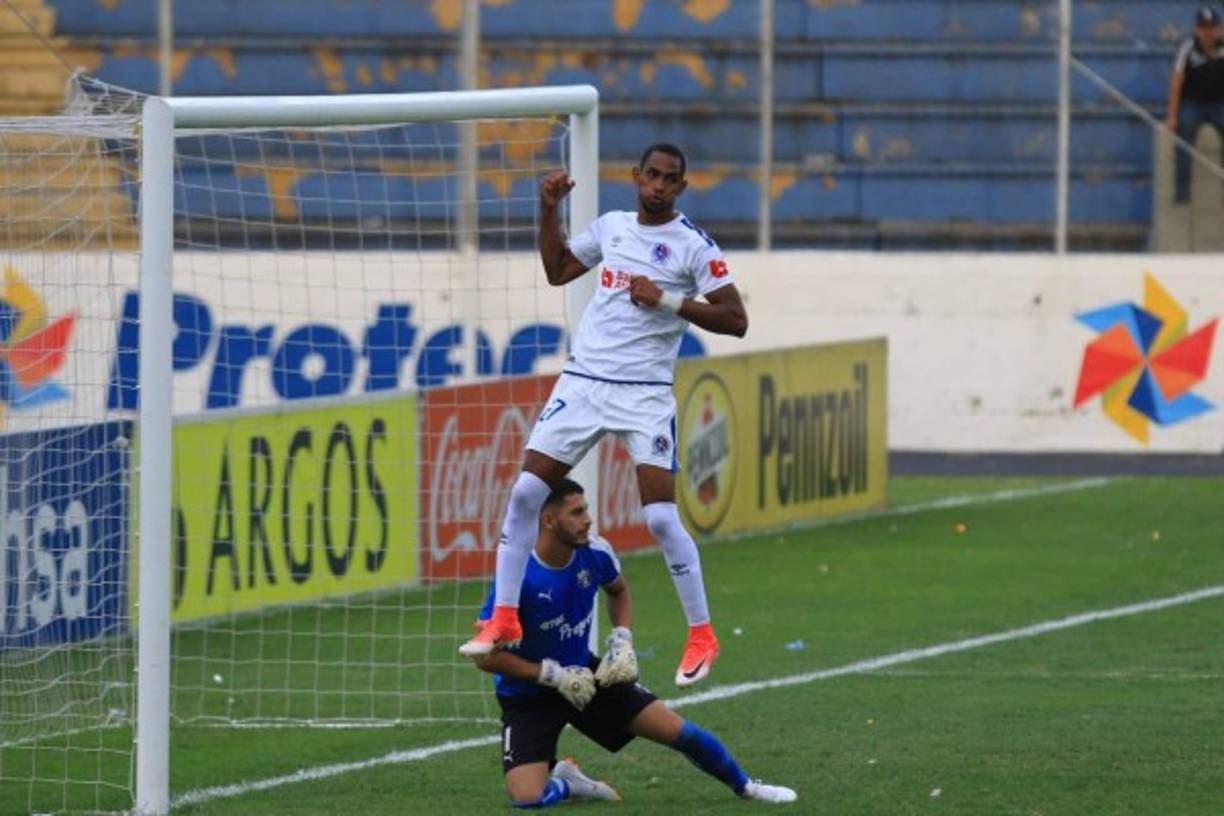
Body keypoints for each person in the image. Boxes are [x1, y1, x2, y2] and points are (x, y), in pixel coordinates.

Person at [460, 142, 748, 688]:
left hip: (644, 394)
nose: (659, 186)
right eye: (652, 175)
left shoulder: (692, 246)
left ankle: (702, 633)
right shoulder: (613, 227)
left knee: (661, 518)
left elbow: (736, 320)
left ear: (681, 188)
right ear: (636, 176)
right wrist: (548, 210)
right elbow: (560, 268)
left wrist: (665, 301)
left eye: (670, 179)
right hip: (585, 383)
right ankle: (502, 616)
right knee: (524, 493)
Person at [468, 479, 797, 808]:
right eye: (577, 512)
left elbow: (619, 591)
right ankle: (569, 784)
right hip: (528, 696)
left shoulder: (596, 553)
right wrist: (550, 675)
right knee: (527, 798)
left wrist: (622, 639)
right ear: (549, 521)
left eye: (587, 510)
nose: (588, 520)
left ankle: (748, 787)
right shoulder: (517, 576)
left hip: (588, 678)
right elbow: (485, 657)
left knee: (680, 733)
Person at [1165, 5, 1224, 204]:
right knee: (1183, 141)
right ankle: (1182, 195)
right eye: (1203, 27)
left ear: (1219, 28)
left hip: (1219, 103)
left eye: (1212, 27)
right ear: (1196, 29)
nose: (1208, 33)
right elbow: (1176, 80)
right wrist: (1172, 115)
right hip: (1192, 103)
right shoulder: (1186, 46)